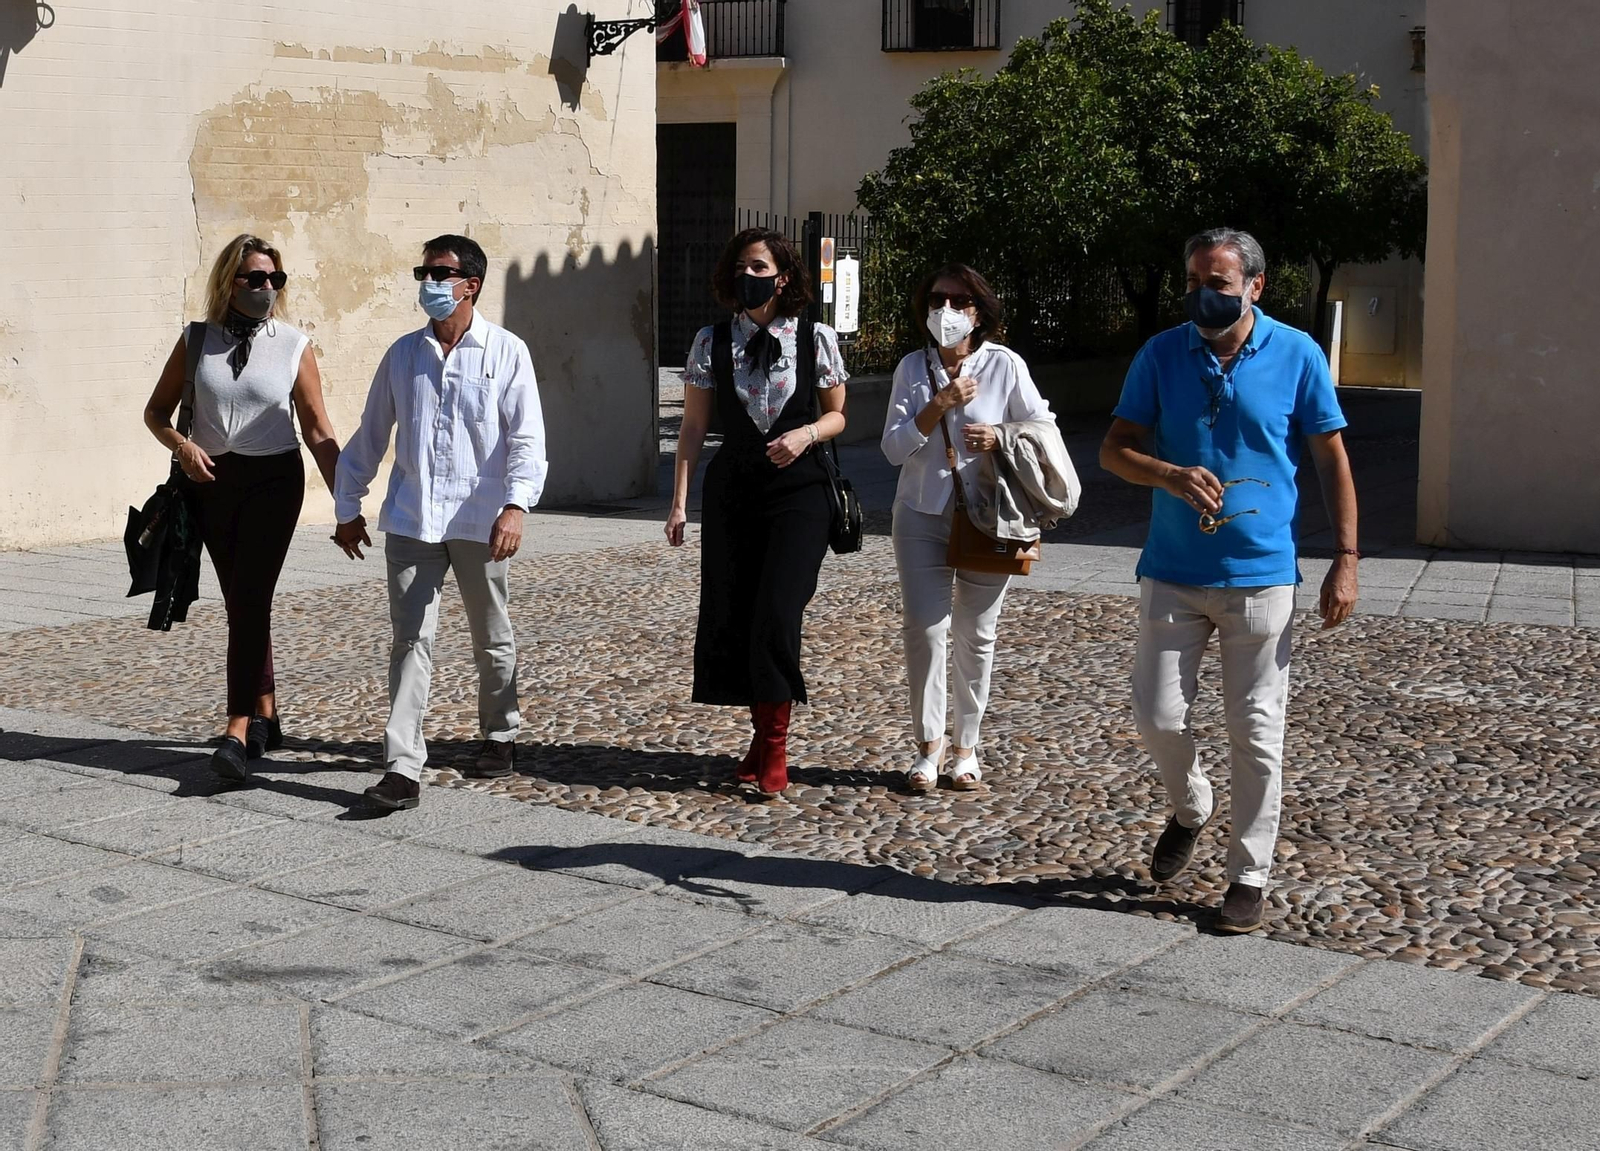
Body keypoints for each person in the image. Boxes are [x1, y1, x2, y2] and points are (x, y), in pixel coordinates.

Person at [1099, 227, 1359, 934]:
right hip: (1173, 570)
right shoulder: (1161, 354)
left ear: (1255, 285)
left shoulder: (1298, 354)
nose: (1202, 295)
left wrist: (1346, 556)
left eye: (1217, 283)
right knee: (1157, 716)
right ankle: (1191, 805)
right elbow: (1115, 449)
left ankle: (1249, 873)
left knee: (1257, 729)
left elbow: (1331, 457)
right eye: (1193, 281)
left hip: (1262, 576)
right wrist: (1170, 474)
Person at [333, 234, 547, 812]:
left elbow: (527, 437)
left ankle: (500, 732)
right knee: (410, 642)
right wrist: (347, 506)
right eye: (422, 271)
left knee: (490, 634)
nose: (428, 282)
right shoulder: (403, 354)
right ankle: (403, 767)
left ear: (470, 284)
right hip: (411, 517)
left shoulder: (506, 352)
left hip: (482, 520)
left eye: (439, 272)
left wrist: (517, 505)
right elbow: (371, 433)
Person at [141, 234, 344, 782]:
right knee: (242, 602)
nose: (266, 289)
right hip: (210, 483)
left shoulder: (293, 344)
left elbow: (318, 427)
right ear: (228, 281)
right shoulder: (196, 339)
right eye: (254, 278)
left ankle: (236, 728)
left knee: (250, 597)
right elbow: (156, 412)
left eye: (274, 280)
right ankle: (268, 716)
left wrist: (345, 501)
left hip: (273, 482)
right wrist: (181, 446)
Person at [666, 227, 849, 798]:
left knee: (777, 611)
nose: (750, 276)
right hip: (734, 491)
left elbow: (840, 414)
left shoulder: (815, 339)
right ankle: (762, 732)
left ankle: (775, 747)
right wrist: (678, 501)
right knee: (737, 614)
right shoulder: (709, 341)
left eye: (761, 267)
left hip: (801, 491)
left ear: (784, 276)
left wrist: (806, 435)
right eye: (742, 265)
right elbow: (693, 427)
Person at [881, 264, 1070, 793]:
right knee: (925, 630)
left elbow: (1044, 427)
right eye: (938, 299)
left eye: (960, 301)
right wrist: (936, 406)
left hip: (991, 514)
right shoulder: (911, 369)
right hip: (920, 513)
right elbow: (893, 449)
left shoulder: (1005, 365)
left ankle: (966, 748)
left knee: (977, 635)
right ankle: (927, 748)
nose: (947, 310)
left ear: (979, 312)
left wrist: (1002, 435)